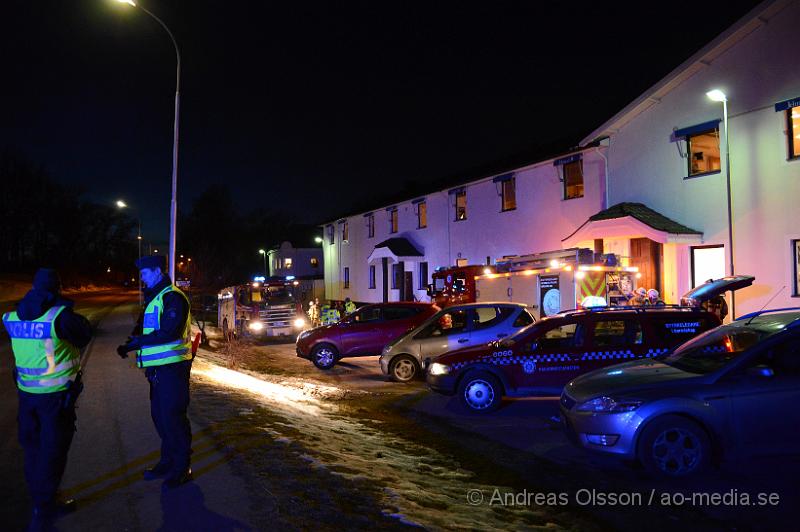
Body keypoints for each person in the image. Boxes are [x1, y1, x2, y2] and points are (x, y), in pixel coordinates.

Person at [2, 268, 92, 524]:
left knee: (32, 449)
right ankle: (45, 507)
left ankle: (39, 498)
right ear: (57, 290)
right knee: (53, 451)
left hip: (26, 397)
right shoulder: (59, 317)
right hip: (55, 399)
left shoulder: (11, 317)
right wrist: (65, 306)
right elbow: (84, 333)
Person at [116, 256, 193, 490]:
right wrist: (131, 342)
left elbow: (169, 332)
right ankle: (168, 461)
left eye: (145, 273)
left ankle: (182, 468)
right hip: (158, 371)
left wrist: (137, 342)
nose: (142, 278)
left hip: (172, 370)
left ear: (158, 271)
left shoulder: (173, 297)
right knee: (161, 419)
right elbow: (146, 328)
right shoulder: (155, 298)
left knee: (173, 419)